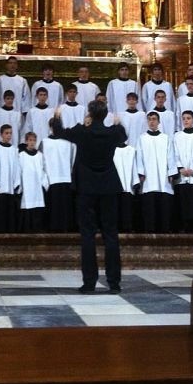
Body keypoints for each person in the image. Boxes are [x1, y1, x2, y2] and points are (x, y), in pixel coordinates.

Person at [52, 100, 127, 293]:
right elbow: (122, 136)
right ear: (105, 115)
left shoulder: (82, 132)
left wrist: (57, 116)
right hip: (108, 186)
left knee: (87, 235)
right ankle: (114, 283)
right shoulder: (112, 133)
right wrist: (118, 123)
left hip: (86, 187)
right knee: (111, 234)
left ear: (90, 114)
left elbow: (59, 132)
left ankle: (89, 282)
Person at [136, 111, 177, 233]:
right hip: (148, 177)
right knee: (149, 204)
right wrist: (141, 172)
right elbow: (139, 157)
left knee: (164, 203)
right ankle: (150, 229)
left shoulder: (165, 138)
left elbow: (170, 156)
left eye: (154, 119)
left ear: (159, 122)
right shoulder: (142, 138)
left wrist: (171, 172)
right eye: (149, 119)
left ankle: (164, 228)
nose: (152, 121)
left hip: (163, 176)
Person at [40, 117, 76, 232]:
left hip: (65, 177)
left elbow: (73, 160)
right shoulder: (44, 142)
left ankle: (66, 228)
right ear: (50, 127)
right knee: (53, 207)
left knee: (65, 207)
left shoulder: (68, 142)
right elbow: (41, 161)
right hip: (51, 179)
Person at [0, 124, 21, 232]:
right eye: (6, 133)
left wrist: (16, 182)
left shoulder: (14, 150)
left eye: (10, 133)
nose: (9, 135)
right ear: (1, 134)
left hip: (10, 186)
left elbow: (16, 167)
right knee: (0, 210)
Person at [18, 132, 48, 233]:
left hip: (37, 185)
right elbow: (19, 170)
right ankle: (27, 228)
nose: (32, 142)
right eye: (30, 140)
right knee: (27, 203)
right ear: (26, 141)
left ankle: (37, 227)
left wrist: (45, 183)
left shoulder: (40, 155)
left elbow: (43, 169)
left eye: (34, 140)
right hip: (26, 184)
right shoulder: (21, 155)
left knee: (37, 203)